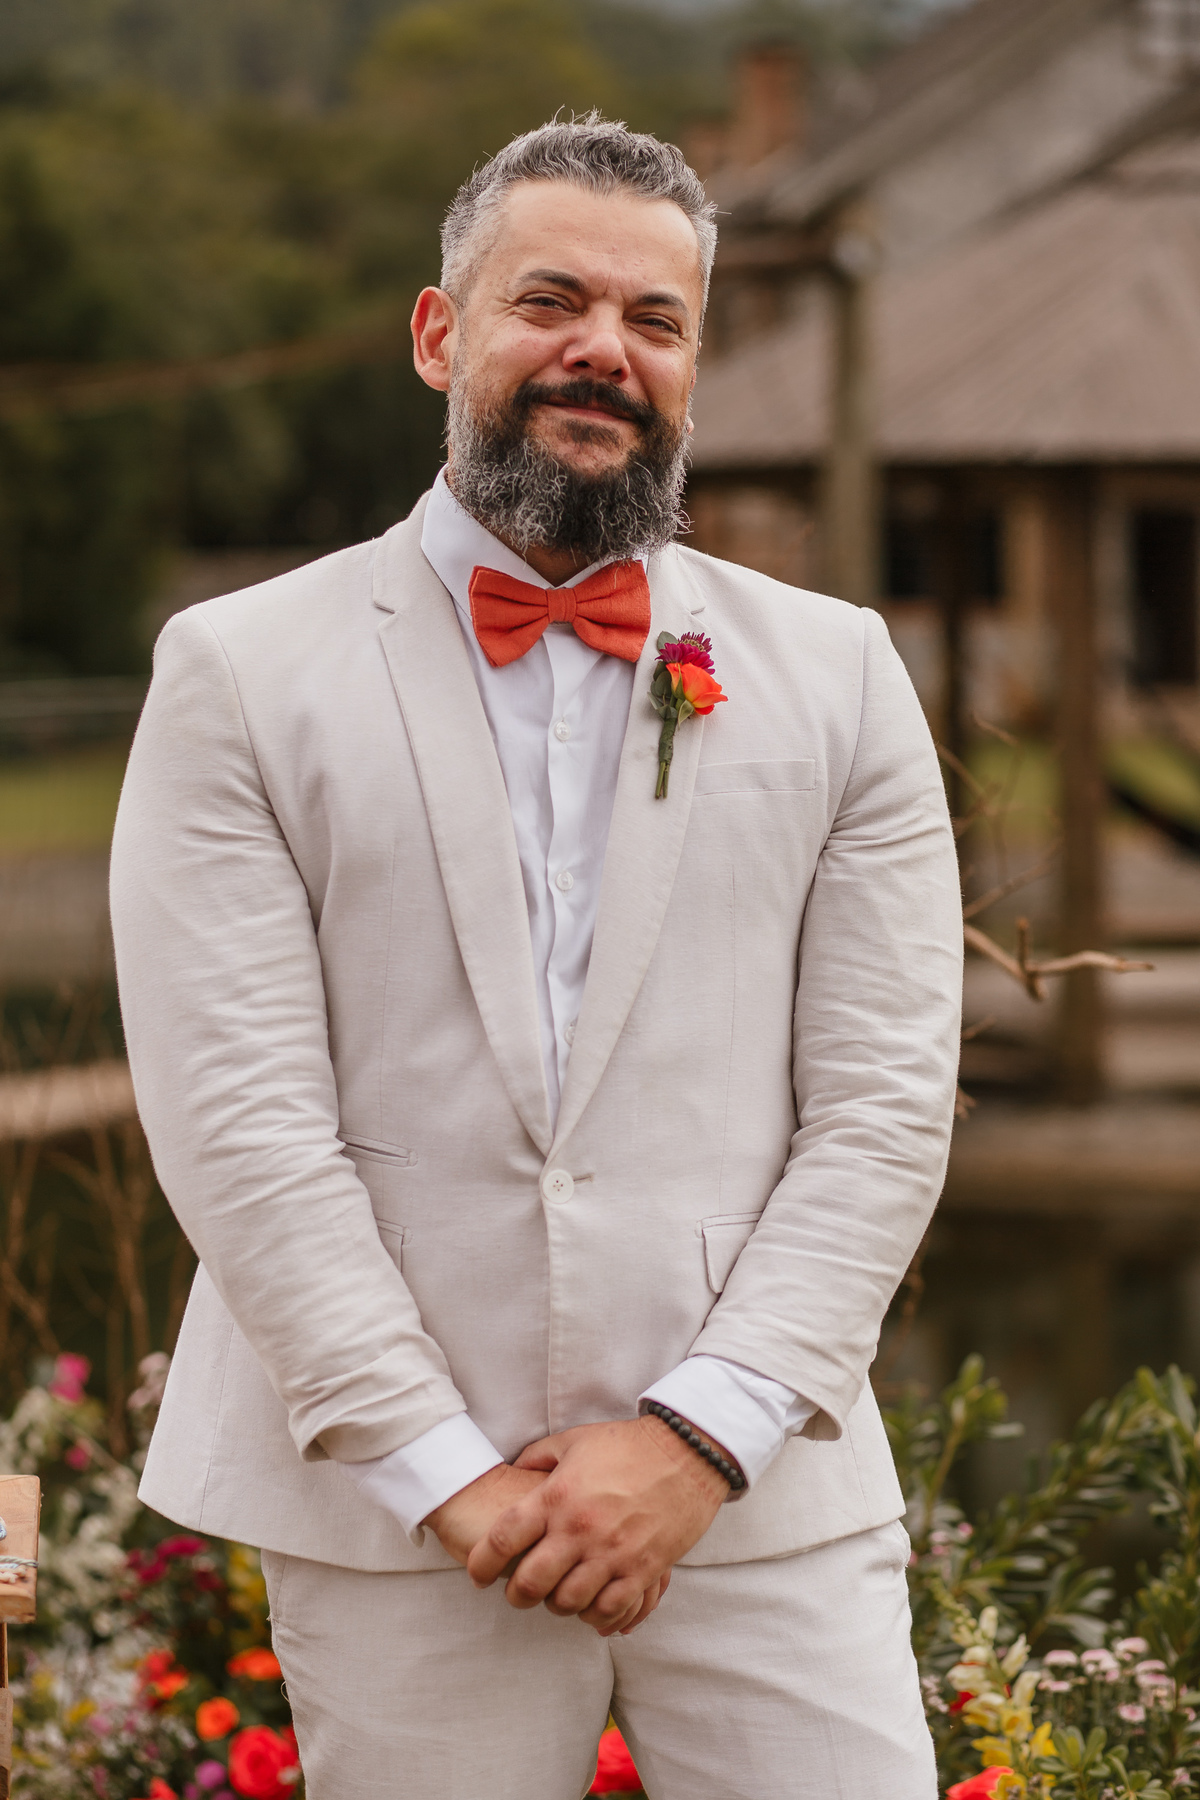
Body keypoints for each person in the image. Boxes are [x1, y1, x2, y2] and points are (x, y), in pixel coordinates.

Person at [110, 116, 963, 1800]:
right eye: (551, 300)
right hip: (404, 1515)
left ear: (694, 364)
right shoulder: (237, 673)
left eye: (655, 320)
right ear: (443, 332)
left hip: (758, 1496)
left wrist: (698, 1439)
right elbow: (240, 1126)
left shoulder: (842, 674)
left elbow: (882, 1113)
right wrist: (447, 1471)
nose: (604, 351)